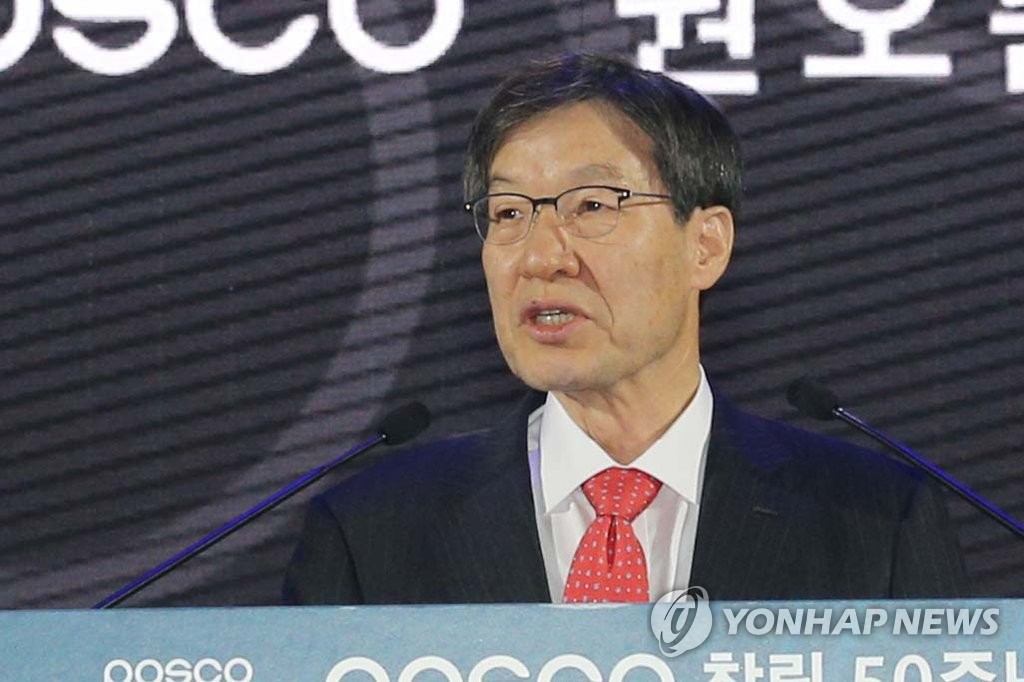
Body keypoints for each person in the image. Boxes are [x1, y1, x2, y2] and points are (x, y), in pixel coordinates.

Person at [283, 53, 967, 605]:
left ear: (705, 245)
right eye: (509, 212)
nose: (542, 257)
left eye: (591, 205)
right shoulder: (371, 534)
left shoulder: (875, 523)